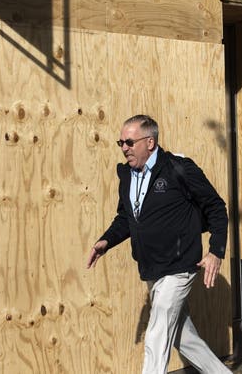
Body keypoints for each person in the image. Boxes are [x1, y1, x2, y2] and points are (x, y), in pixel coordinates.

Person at [86, 114, 231, 374]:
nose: (124, 148)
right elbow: (126, 218)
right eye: (121, 142)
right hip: (152, 268)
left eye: (129, 142)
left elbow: (216, 207)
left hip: (179, 265)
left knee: (156, 333)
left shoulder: (179, 168)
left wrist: (215, 250)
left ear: (149, 142)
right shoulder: (127, 176)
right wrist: (106, 241)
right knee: (183, 339)